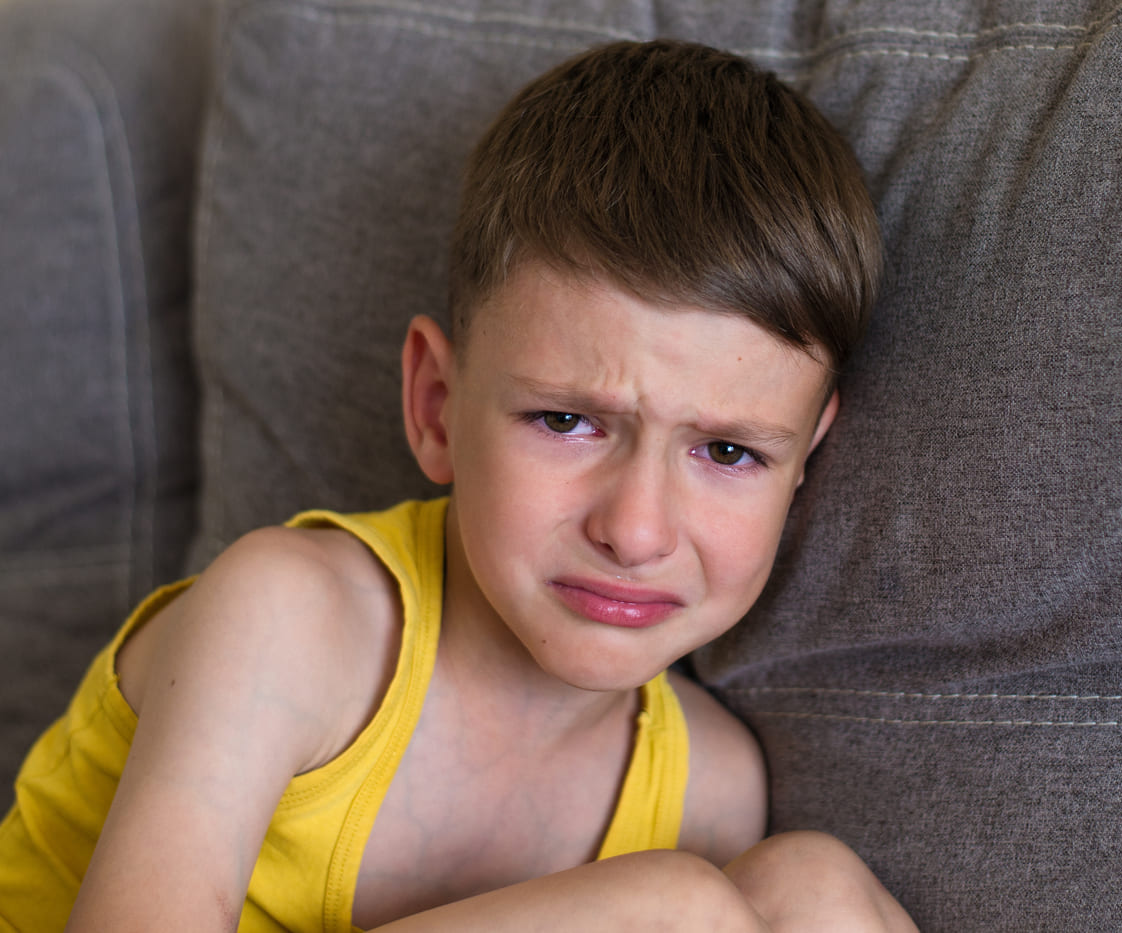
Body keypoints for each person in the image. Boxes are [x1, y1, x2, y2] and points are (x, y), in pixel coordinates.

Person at [0, 40, 912, 932]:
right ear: (437, 406)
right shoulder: (288, 624)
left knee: (815, 891)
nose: (635, 531)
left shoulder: (710, 788)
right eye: (567, 421)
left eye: (728, 452)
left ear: (803, 466)